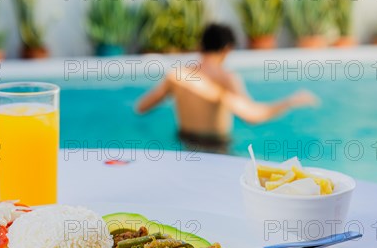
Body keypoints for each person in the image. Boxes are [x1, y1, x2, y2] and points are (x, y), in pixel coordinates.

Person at [136, 23, 319, 154]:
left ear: (201, 47)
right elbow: (252, 116)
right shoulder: (227, 78)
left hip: (185, 144)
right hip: (216, 148)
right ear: (226, 49)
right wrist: (291, 101)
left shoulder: (176, 76)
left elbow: (141, 107)